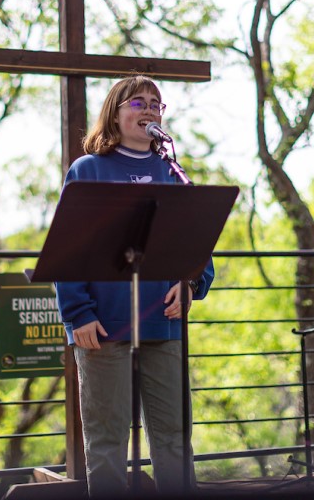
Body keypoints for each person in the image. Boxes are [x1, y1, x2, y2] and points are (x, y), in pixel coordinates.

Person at [55, 75, 214, 497]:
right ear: (115, 113)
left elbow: (198, 242)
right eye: (138, 102)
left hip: (163, 325)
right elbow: (67, 246)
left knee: (174, 436)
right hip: (102, 327)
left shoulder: (171, 172)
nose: (149, 109)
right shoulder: (88, 170)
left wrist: (191, 283)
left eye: (155, 104)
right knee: (107, 439)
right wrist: (77, 314)